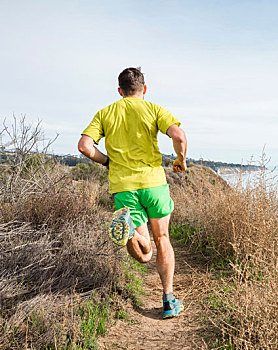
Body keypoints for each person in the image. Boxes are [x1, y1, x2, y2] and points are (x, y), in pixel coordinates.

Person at [77, 67, 187, 319]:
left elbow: (84, 146)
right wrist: (180, 159)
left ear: (120, 91)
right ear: (144, 89)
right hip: (154, 184)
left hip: (123, 186)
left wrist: (107, 162)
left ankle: (132, 234)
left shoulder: (106, 113)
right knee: (163, 239)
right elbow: (179, 136)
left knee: (145, 254)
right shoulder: (154, 109)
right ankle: (169, 300)